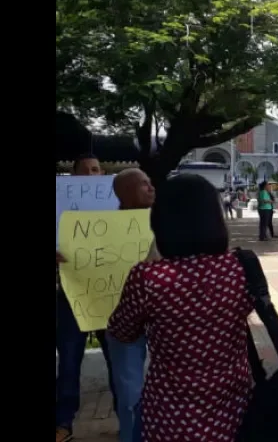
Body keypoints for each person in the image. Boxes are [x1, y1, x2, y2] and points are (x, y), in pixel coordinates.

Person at [107, 174, 254, 441]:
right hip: (235, 409)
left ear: (162, 221)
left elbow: (121, 332)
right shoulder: (242, 267)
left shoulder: (148, 277)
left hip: (170, 416)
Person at [55, 154, 119, 442]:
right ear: (74, 176)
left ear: (102, 173)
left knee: (117, 362)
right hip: (71, 296)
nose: (92, 175)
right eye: (86, 171)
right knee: (68, 362)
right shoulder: (59, 208)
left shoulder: (117, 206)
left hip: (109, 297)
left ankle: (130, 420)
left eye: (96, 170)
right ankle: (63, 424)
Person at [102, 168, 158, 442]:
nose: (151, 188)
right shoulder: (98, 232)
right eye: (143, 185)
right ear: (123, 193)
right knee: (130, 392)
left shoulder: (165, 223)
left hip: (161, 319)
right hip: (124, 321)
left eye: (150, 183)